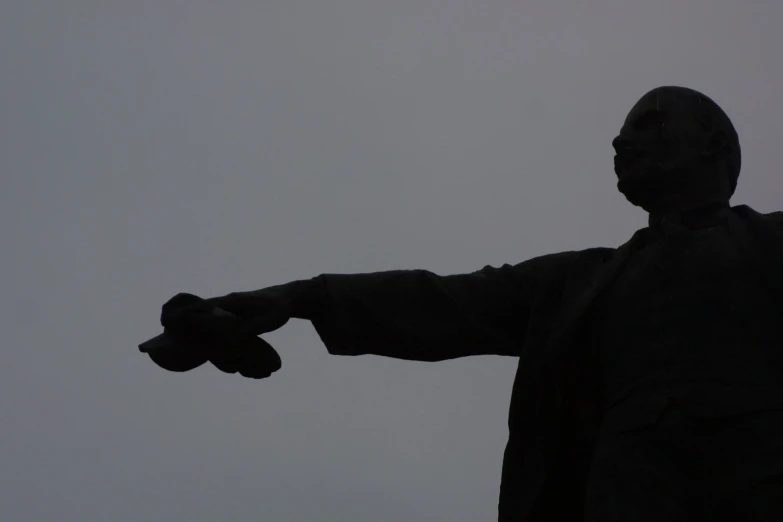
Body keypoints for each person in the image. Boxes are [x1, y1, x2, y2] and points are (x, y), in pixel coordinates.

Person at [143, 86, 783, 521]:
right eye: (621, 133)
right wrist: (299, 298)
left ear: (714, 147)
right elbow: (441, 302)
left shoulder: (770, 242)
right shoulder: (576, 283)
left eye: (650, 125)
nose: (621, 144)